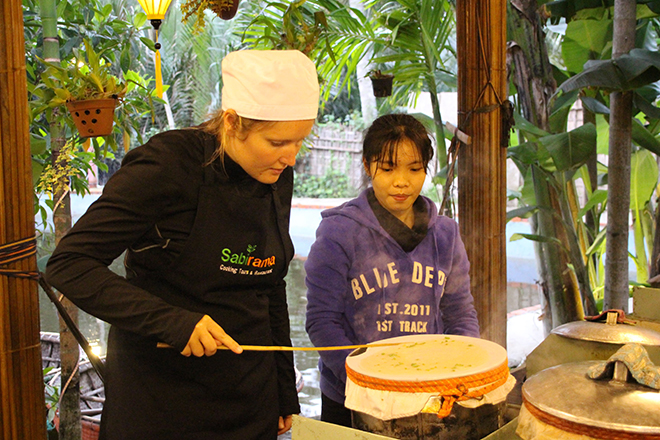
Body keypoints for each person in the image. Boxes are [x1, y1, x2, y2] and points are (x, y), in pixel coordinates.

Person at [45, 49, 319, 440]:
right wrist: (174, 322)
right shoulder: (168, 165)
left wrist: (283, 391)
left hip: (248, 395)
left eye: (299, 142)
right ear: (232, 121)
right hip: (161, 398)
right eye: (277, 142)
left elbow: (270, 282)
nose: (290, 158)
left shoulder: (273, 172)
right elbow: (69, 264)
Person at [304, 113, 480, 427]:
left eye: (414, 169)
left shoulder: (446, 235)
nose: (402, 181)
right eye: (387, 168)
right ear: (368, 166)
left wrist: (458, 374)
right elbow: (322, 321)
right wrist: (366, 384)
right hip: (353, 400)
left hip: (427, 397)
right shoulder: (339, 233)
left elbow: (460, 314)